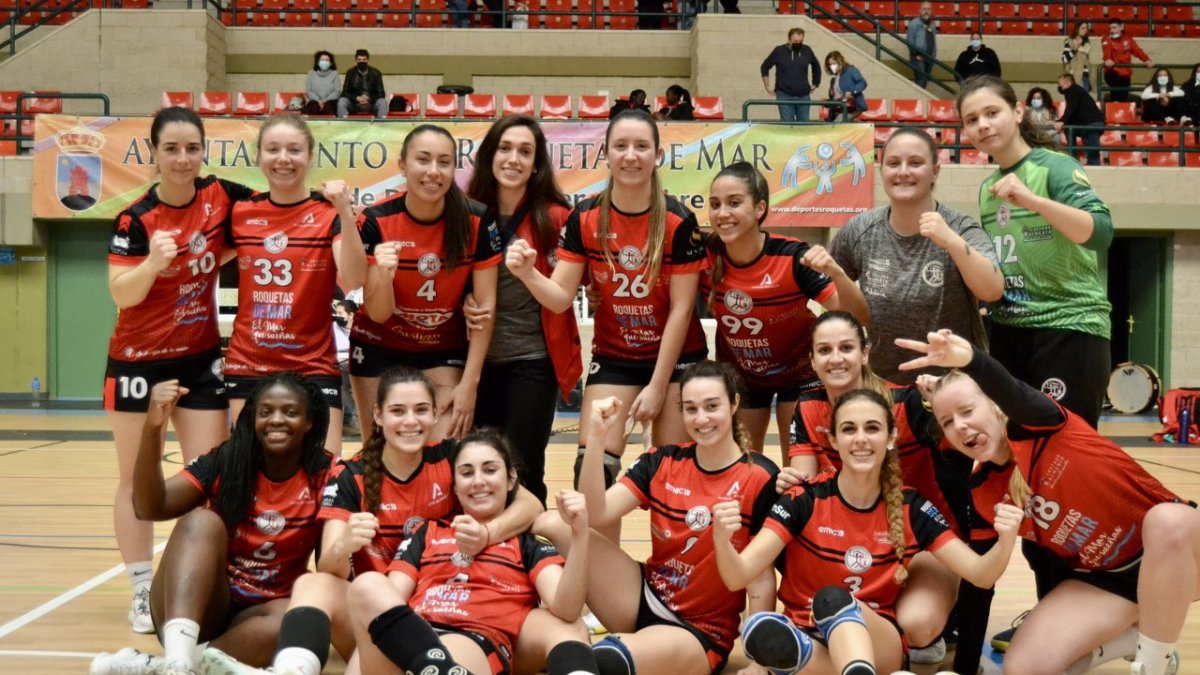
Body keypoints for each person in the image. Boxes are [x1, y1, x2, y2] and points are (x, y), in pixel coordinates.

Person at [195, 368, 549, 675]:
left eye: (420, 410)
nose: (410, 422)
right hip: (375, 622)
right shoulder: (351, 475)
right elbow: (330, 566)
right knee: (314, 583)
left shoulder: (452, 458)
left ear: (434, 414)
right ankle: (292, 670)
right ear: (378, 415)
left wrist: (487, 533)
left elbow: (531, 505)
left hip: (445, 616)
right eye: (398, 411)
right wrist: (345, 543)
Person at [899, 329, 1200, 675]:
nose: (961, 426)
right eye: (948, 422)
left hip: (1181, 555)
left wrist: (970, 360)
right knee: (1024, 667)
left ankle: (1153, 666)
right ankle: (1132, 639)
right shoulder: (983, 491)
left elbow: (1013, 392)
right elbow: (979, 586)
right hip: (1108, 580)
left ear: (995, 405)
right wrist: (964, 670)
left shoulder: (1039, 424)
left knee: (1167, 521)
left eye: (967, 411)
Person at [712, 388, 1020, 675]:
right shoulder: (802, 500)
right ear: (833, 440)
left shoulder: (911, 507)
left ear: (891, 437)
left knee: (833, 602)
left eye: (872, 428)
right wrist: (722, 540)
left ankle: (803, 659)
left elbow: (980, 574)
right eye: (849, 429)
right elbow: (738, 576)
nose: (860, 439)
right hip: (809, 635)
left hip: (878, 640)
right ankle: (807, 659)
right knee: (769, 632)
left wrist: (1005, 541)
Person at [104, 106, 254, 634]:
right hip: (137, 362)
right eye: (171, 149)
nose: (183, 158)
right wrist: (152, 263)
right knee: (135, 479)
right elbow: (121, 293)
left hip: (199, 359)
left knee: (208, 477)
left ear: (204, 151)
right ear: (154, 153)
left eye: (192, 148)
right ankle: (143, 588)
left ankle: (203, 578)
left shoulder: (221, 196)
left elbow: (267, 217)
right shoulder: (135, 218)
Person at [506, 109, 707, 498]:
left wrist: (658, 386)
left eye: (641, 146)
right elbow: (560, 298)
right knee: (591, 469)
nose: (631, 156)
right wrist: (530, 275)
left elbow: (683, 310)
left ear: (658, 155)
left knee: (674, 473)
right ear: (606, 154)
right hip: (616, 358)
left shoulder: (679, 220)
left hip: (678, 360)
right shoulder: (585, 217)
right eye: (621, 146)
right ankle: (597, 542)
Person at [537, 361, 781, 675]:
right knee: (553, 524)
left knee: (605, 659)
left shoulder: (760, 477)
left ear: (734, 404)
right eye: (691, 409)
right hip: (644, 595)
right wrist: (597, 437)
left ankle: (591, 646)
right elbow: (596, 513)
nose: (701, 418)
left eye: (712, 406)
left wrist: (758, 661)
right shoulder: (663, 461)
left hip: (698, 631)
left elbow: (760, 578)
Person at [89, 374, 340, 675]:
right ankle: (178, 661)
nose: (276, 420)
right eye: (265, 412)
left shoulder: (328, 475)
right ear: (252, 418)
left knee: (299, 616)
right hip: (199, 600)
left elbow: (330, 566)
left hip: (262, 612)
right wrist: (153, 427)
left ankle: (169, 665)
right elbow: (148, 507)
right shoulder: (226, 460)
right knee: (201, 521)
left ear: (310, 421)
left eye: (290, 412)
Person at [785, 311, 976, 666]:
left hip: (922, 544)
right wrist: (788, 485)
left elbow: (977, 440)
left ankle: (901, 635)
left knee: (918, 624)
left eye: (846, 348)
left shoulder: (908, 403)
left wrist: (951, 398)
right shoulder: (808, 407)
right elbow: (804, 487)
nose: (836, 358)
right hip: (852, 539)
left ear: (865, 352)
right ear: (812, 360)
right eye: (824, 350)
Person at [346, 429, 598, 675]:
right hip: (413, 637)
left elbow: (566, 609)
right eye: (467, 473)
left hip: (472, 642)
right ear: (455, 487)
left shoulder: (527, 544)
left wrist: (579, 534)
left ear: (511, 479)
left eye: (490, 470)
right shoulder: (427, 533)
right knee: (367, 585)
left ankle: (438, 668)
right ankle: (432, 666)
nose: (478, 481)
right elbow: (390, 600)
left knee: (569, 626)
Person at [957, 75, 1112, 427]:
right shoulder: (987, 188)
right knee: (1014, 446)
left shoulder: (1056, 168)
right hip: (1009, 331)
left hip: (1068, 328)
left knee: (1065, 446)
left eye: (992, 112)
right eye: (972, 119)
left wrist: (1032, 201)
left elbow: (1101, 233)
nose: (983, 125)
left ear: (1018, 111)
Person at [701, 161, 867, 462]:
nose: (722, 213)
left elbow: (858, 317)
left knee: (799, 468)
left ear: (760, 208)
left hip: (799, 374)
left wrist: (838, 273)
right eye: (715, 204)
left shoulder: (792, 257)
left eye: (734, 203)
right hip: (742, 375)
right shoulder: (705, 257)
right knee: (744, 464)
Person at [349, 124, 500, 444]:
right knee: (378, 450)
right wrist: (384, 276)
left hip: (441, 349)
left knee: (443, 449)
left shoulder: (476, 220)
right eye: (423, 159)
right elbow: (378, 313)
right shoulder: (376, 220)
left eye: (444, 162)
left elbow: (485, 310)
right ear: (402, 165)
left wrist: (469, 385)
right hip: (378, 344)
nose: (433, 171)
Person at [224, 114, 365, 454]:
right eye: (273, 149)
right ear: (259, 156)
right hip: (249, 363)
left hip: (312, 365)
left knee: (325, 471)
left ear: (310, 157)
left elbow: (354, 278)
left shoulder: (328, 213)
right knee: (249, 470)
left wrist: (346, 214)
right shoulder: (241, 211)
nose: (283, 158)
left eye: (294, 150)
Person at [465, 115, 581, 505]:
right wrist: (462, 299)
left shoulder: (557, 217)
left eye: (525, 151)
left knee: (524, 468)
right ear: (489, 155)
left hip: (533, 362)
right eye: (505, 148)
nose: (513, 159)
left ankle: (528, 542)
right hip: (473, 361)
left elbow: (568, 293)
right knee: (475, 465)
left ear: (536, 164)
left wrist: (529, 273)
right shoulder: (465, 212)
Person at [830, 128, 1003, 385]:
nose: (903, 172)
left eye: (915, 163)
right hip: (881, 383)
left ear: (935, 171)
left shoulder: (961, 228)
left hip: (952, 386)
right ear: (881, 171)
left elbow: (993, 290)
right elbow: (833, 300)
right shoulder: (858, 230)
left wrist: (951, 242)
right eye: (893, 163)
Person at [760, 28, 821, 123]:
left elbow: (816, 66)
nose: (798, 43)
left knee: (804, 124)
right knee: (787, 124)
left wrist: (815, 83)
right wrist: (767, 86)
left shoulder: (807, 50)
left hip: (803, 95)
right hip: (784, 94)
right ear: (789, 40)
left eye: (800, 41)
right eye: (795, 41)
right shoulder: (779, 51)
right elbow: (765, 66)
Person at [1055, 72, 1105, 166]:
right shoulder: (1076, 91)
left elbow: (1071, 108)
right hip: (1090, 123)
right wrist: (1061, 122)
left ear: (1066, 82)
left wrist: (1062, 121)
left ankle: (1078, 161)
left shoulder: (1072, 90)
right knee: (1069, 129)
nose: (1059, 86)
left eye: (1060, 83)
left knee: (1093, 156)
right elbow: (1073, 112)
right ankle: (1073, 158)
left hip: (1091, 124)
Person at [1101, 20, 1153, 103]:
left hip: (1125, 73)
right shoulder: (1106, 39)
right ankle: (1115, 105)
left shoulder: (1128, 39)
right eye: (1110, 28)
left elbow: (1137, 51)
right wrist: (1107, 59)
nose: (1111, 30)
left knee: (1124, 96)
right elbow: (1106, 52)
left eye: (1114, 28)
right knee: (1116, 93)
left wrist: (1146, 60)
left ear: (1121, 27)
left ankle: (1121, 107)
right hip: (1112, 73)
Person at [337, 49, 387, 118]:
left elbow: (381, 94)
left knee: (382, 102)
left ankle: (382, 123)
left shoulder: (376, 73)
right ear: (356, 60)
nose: (362, 61)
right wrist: (356, 98)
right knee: (342, 101)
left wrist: (369, 98)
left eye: (364, 60)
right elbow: (345, 93)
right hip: (354, 104)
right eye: (359, 60)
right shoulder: (350, 73)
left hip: (371, 104)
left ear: (368, 60)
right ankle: (342, 123)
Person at [822, 51, 867, 122]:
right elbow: (836, 97)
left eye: (834, 63)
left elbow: (863, 83)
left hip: (852, 107)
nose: (832, 66)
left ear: (840, 61)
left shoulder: (851, 70)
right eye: (830, 64)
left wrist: (853, 92)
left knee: (836, 125)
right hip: (838, 108)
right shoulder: (834, 79)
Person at [906, 1, 937, 89]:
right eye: (924, 9)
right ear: (920, 10)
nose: (926, 11)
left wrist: (934, 55)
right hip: (918, 59)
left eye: (928, 9)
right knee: (920, 82)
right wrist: (916, 54)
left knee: (925, 82)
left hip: (930, 58)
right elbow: (909, 41)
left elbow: (933, 40)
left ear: (931, 11)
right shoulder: (914, 24)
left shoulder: (932, 25)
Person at [304, 50, 341, 116]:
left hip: (330, 101)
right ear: (318, 62)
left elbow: (337, 91)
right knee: (312, 106)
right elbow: (308, 90)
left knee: (329, 106)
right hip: (314, 101)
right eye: (322, 60)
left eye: (327, 60)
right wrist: (318, 101)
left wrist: (325, 101)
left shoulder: (335, 74)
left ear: (331, 63)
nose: (324, 62)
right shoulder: (311, 74)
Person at [1062, 21, 1093, 94]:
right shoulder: (1069, 41)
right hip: (1073, 75)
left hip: (1085, 76)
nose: (1085, 30)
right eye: (1083, 28)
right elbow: (1064, 59)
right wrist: (1074, 49)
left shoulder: (1087, 44)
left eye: (1086, 28)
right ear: (1077, 29)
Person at [1182, 62, 1200, 128]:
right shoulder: (1186, 86)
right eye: (1198, 71)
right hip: (1190, 117)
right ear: (1194, 73)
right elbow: (1184, 103)